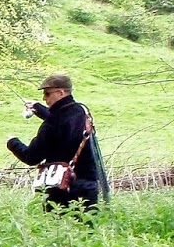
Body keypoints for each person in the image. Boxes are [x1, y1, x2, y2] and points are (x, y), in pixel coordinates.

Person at [6, 73, 108, 209]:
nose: (44, 98)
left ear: (61, 93)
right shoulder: (82, 111)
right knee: (88, 222)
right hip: (89, 188)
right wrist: (38, 108)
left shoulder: (52, 124)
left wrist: (12, 142)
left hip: (61, 190)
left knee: (59, 223)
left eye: (47, 94)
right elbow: (64, 121)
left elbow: (31, 157)